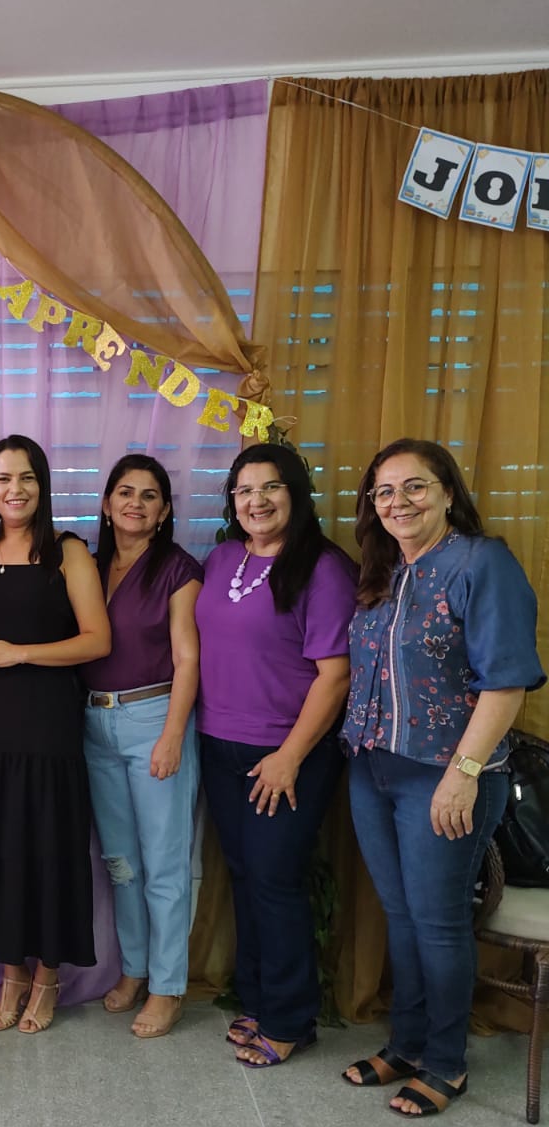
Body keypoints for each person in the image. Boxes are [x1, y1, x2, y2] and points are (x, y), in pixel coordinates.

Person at [340, 439, 544, 1117]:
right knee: (400, 915)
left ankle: (447, 1064)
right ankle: (406, 1045)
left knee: (438, 922)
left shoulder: (482, 563)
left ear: (448, 492)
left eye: (415, 486)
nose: (398, 501)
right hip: (373, 769)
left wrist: (463, 773)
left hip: (445, 775)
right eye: (384, 491)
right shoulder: (383, 573)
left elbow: (506, 681)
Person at [195, 441, 357, 1068]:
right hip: (221, 742)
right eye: (243, 490)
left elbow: (334, 676)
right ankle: (259, 999)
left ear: (296, 494)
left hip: (290, 751)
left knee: (274, 878)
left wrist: (290, 756)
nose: (255, 501)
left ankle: (291, 1019)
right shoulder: (223, 559)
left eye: (270, 488)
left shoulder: (323, 568)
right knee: (244, 874)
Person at [0, 435, 110, 1033]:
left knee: (44, 848)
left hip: (45, 724)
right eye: (3, 479)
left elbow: (97, 640)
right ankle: (10, 974)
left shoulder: (68, 551)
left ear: (43, 485)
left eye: (26, 478)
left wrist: (22, 652)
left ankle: (47, 977)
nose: (14, 490)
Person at [82, 455, 202, 1039]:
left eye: (149, 495)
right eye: (125, 493)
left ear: (165, 510)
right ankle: (133, 969)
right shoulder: (87, 564)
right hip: (93, 721)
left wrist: (173, 735)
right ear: (107, 504)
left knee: (163, 863)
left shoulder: (178, 569)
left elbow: (188, 658)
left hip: (154, 717)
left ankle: (167, 985)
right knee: (121, 863)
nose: (136, 503)